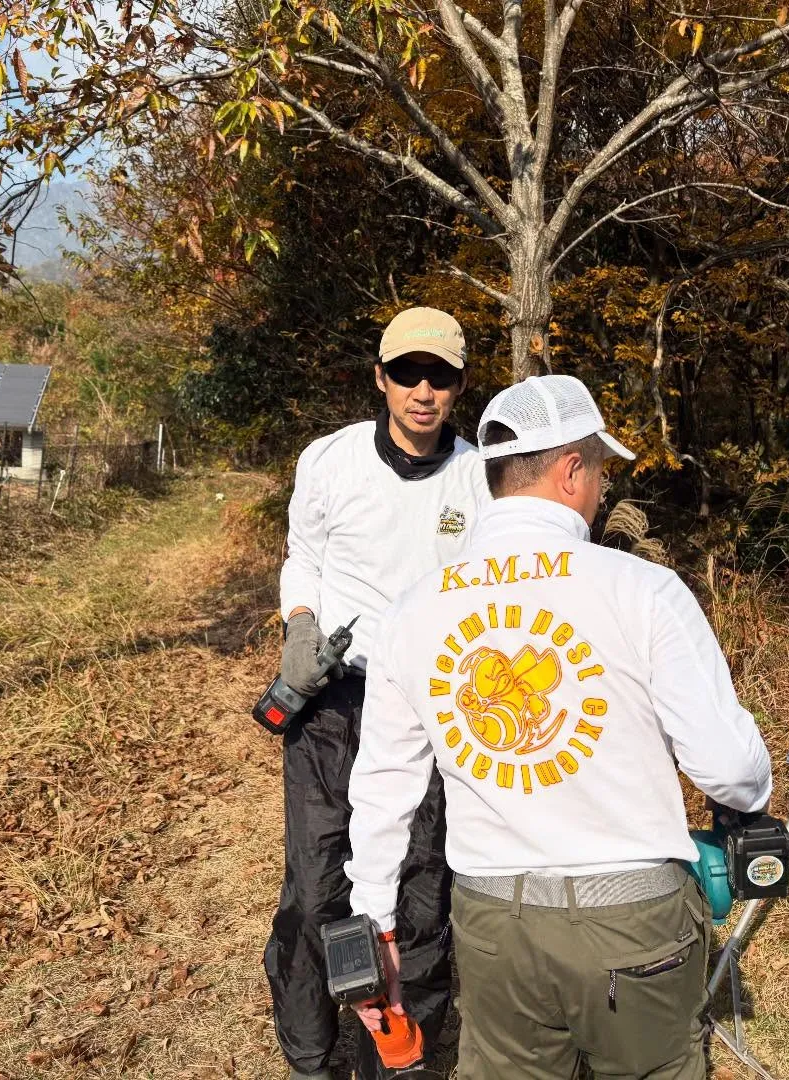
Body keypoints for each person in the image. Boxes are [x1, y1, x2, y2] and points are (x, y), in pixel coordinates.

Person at [345, 375, 773, 1079]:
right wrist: (753, 790)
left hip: (492, 927)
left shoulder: (412, 609)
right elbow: (729, 768)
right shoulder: (644, 591)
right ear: (572, 469)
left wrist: (376, 920)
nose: (601, 488)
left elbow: (384, 783)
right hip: (633, 924)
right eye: (600, 470)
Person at [266, 307, 492, 1080]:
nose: (422, 391)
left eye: (440, 376)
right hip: (334, 704)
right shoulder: (328, 461)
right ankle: (310, 1052)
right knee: (319, 880)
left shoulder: (479, 478)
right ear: (381, 377)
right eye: (407, 373)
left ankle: (400, 1054)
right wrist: (300, 624)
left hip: (431, 711)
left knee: (420, 884)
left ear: (460, 385)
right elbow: (304, 557)